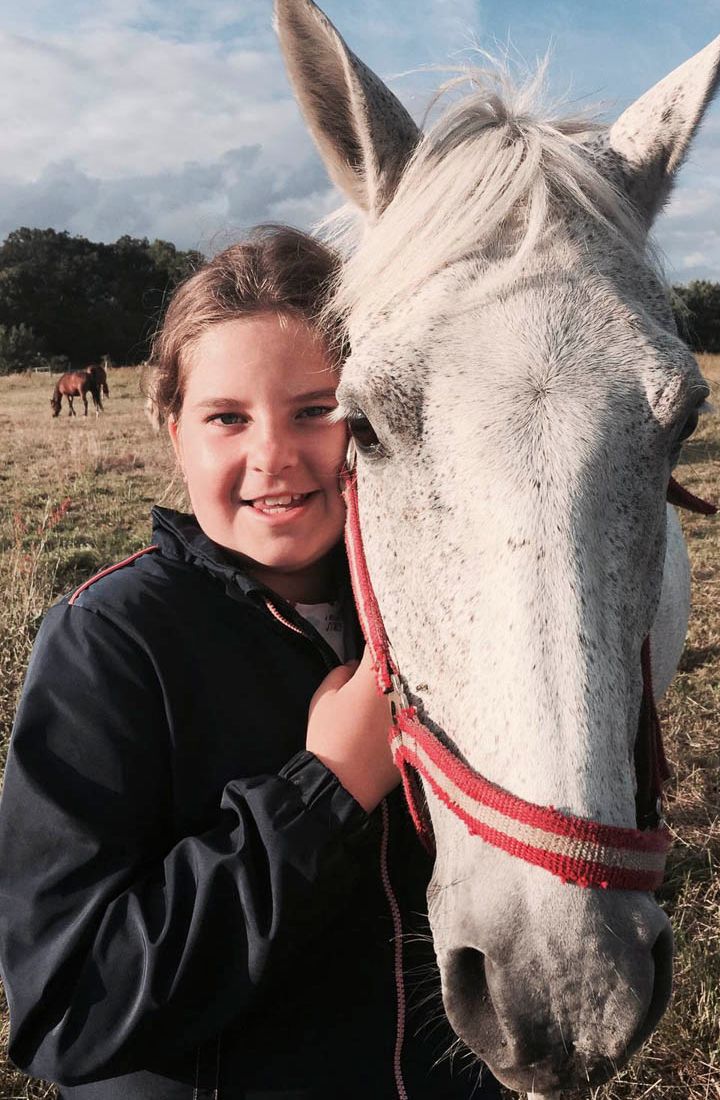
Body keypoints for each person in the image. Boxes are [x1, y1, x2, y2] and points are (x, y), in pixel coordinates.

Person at [0, 227, 500, 1100]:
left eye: (316, 409)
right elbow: (73, 1004)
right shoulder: (109, 643)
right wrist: (326, 789)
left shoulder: (438, 612)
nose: (274, 455)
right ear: (173, 431)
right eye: (227, 417)